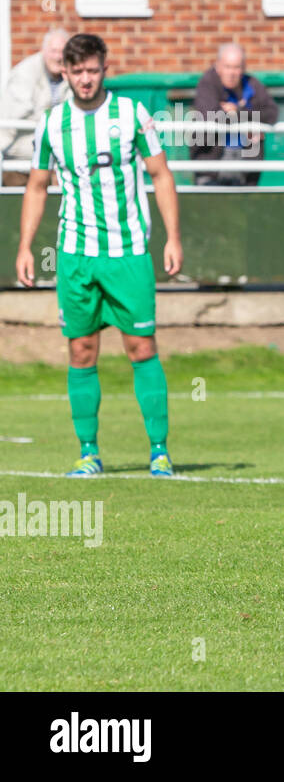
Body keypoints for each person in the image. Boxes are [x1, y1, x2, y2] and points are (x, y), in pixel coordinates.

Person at [13, 33, 183, 477]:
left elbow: (161, 175)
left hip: (128, 253)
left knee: (141, 346)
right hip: (76, 255)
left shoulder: (131, 115)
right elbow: (36, 186)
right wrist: (25, 247)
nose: (86, 80)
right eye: (77, 72)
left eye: (93, 70)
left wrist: (172, 236)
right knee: (81, 349)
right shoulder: (51, 124)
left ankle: (159, 451)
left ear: (104, 69)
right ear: (64, 72)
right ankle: (88, 452)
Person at [191, 43, 280, 187]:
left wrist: (238, 111)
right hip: (212, 167)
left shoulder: (252, 84)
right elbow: (212, 116)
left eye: (236, 67)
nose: (232, 73)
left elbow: (271, 113)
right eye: (227, 67)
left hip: (246, 169)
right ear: (218, 66)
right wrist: (250, 122)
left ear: (243, 68)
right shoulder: (207, 83)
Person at [0, 28, 70, 187]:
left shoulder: (75, 75)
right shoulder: (24, 74)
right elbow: (11, 120)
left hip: (59, 162)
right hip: (20, 161)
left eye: (63, 51)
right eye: (54, 51)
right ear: (43, 51)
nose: (59, 56)